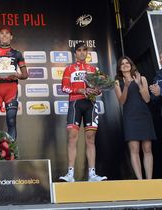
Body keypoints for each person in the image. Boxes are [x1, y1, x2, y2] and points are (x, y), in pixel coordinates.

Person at [59, 42, 107, 182]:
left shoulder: (93, 69)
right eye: (79, 50)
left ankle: (92, 174)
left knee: (90, 139)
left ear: (87, 53)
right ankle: (70, 174)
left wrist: (97, 90)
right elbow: (64, 88)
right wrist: (80, 90)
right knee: (72, 137)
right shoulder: (69, 69)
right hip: (75, 103)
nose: (81, 53)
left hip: (90, 104)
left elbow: (99, 89)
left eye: (84, 50)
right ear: (75, 53)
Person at [0, 26, 28, 144]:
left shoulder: (17, 54)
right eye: (2, 34)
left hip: (11, 89)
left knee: (11, 120)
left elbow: (25, 75)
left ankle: (11, 153)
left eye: (7, 33)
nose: (4, 35)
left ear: (11, 37)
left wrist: (17, 75)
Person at [115, 56, 156, 179]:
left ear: (131, 65)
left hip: (144, 115)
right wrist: (126, 86)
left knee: (147, 148)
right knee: (134, 148)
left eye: (127, 63)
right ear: (119, 67)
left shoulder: (141, 78)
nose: (125, 65)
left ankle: (149, 180)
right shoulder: (117, 81)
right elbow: (121, 101)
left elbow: (147, 99)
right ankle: (140, 180)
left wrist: (139, 85)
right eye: (122, 64)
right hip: (130, 117)